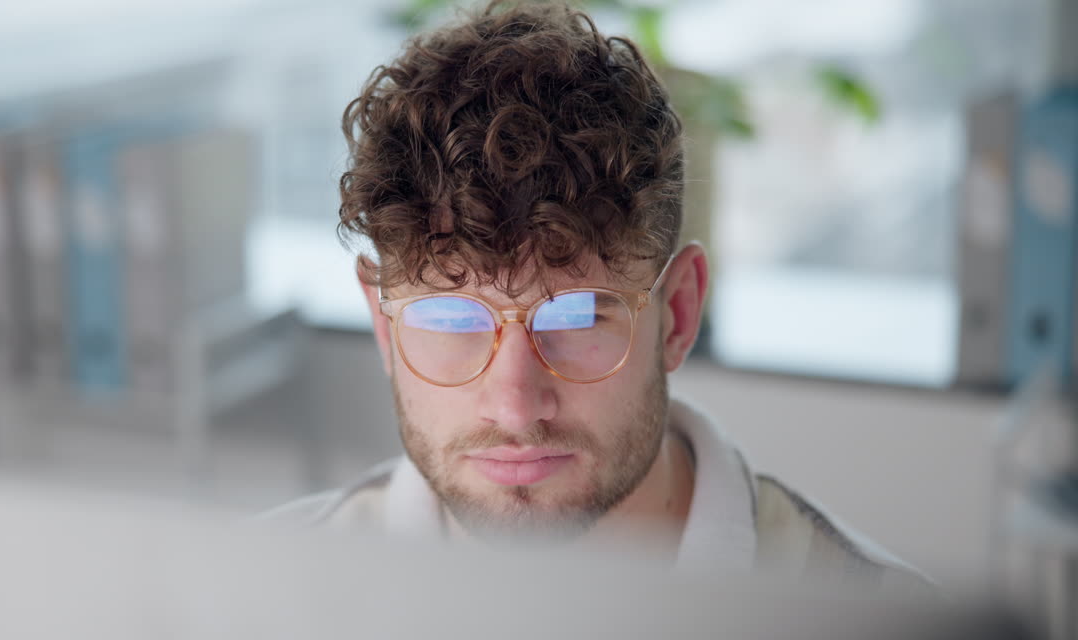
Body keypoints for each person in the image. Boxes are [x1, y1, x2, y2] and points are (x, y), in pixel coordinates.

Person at [267, 0, 925, 585]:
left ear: (677, 313)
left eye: (576, 315)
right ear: (384, 329)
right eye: (450, 317)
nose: (517, 408)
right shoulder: (263, 595)